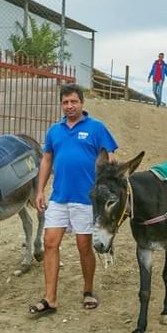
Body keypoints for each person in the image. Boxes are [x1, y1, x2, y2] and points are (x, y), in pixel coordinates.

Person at [29, 83, 118, 317]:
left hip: (87, 200)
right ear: (61, 104)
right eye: (65, 102)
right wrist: (40, 191)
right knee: (49, 243)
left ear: (82, 103)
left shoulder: (96, 128)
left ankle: (88, 290)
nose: (69, 106)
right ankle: (50, 298)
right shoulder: (54, 131)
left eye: (73, 102)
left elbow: (112, 156)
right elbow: (47, 160)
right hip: (59, 197)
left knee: (83, 246)